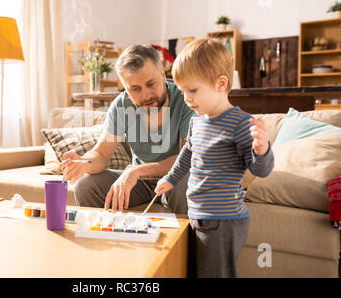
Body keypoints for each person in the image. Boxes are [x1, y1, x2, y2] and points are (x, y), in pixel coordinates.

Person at [154, 38, 274, 278]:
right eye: (182, 91)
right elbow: (187, 153)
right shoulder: (196, 122)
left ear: (221, 84)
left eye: (193, 90)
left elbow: (261, 171)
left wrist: (262, 150)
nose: (186, 98)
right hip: (197, 214)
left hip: (224, 220)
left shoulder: (240, 123)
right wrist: (171, 178)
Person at [59, 44, 194, 214]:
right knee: (86, 185)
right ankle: (100, 239)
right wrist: (83, 164)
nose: (145, 95)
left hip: (175, 179)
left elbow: (186, 160)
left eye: (151, 84)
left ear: (162, 74)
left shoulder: (186, 101)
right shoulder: (122, 106)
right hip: (141, 183)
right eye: (135, 89)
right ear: (125, 88)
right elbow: (101, 154)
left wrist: (136, 171)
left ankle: (187, 241)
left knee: (185, 181)